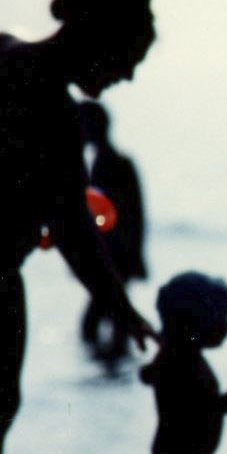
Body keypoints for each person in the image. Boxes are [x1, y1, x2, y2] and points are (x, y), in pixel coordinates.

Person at [0, 0, 157, 454]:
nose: (129, 76)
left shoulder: (4, 53)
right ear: (102, 42)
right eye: (129, 59)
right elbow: (73, 231)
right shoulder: (55, 116)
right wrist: (123, 308)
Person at [141, 272, 227, 454]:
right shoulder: (180, 360)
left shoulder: (178, 356)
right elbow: (188, 408)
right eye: (221, 318)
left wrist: (221, 404)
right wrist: (223, 405)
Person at [77, 100, 149, 363]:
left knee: (101, 322)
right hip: (115, 255)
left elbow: (134, 215)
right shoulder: (102, 164)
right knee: (110, 320)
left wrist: (134, 254)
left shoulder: (113, 165)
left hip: (117, 256)